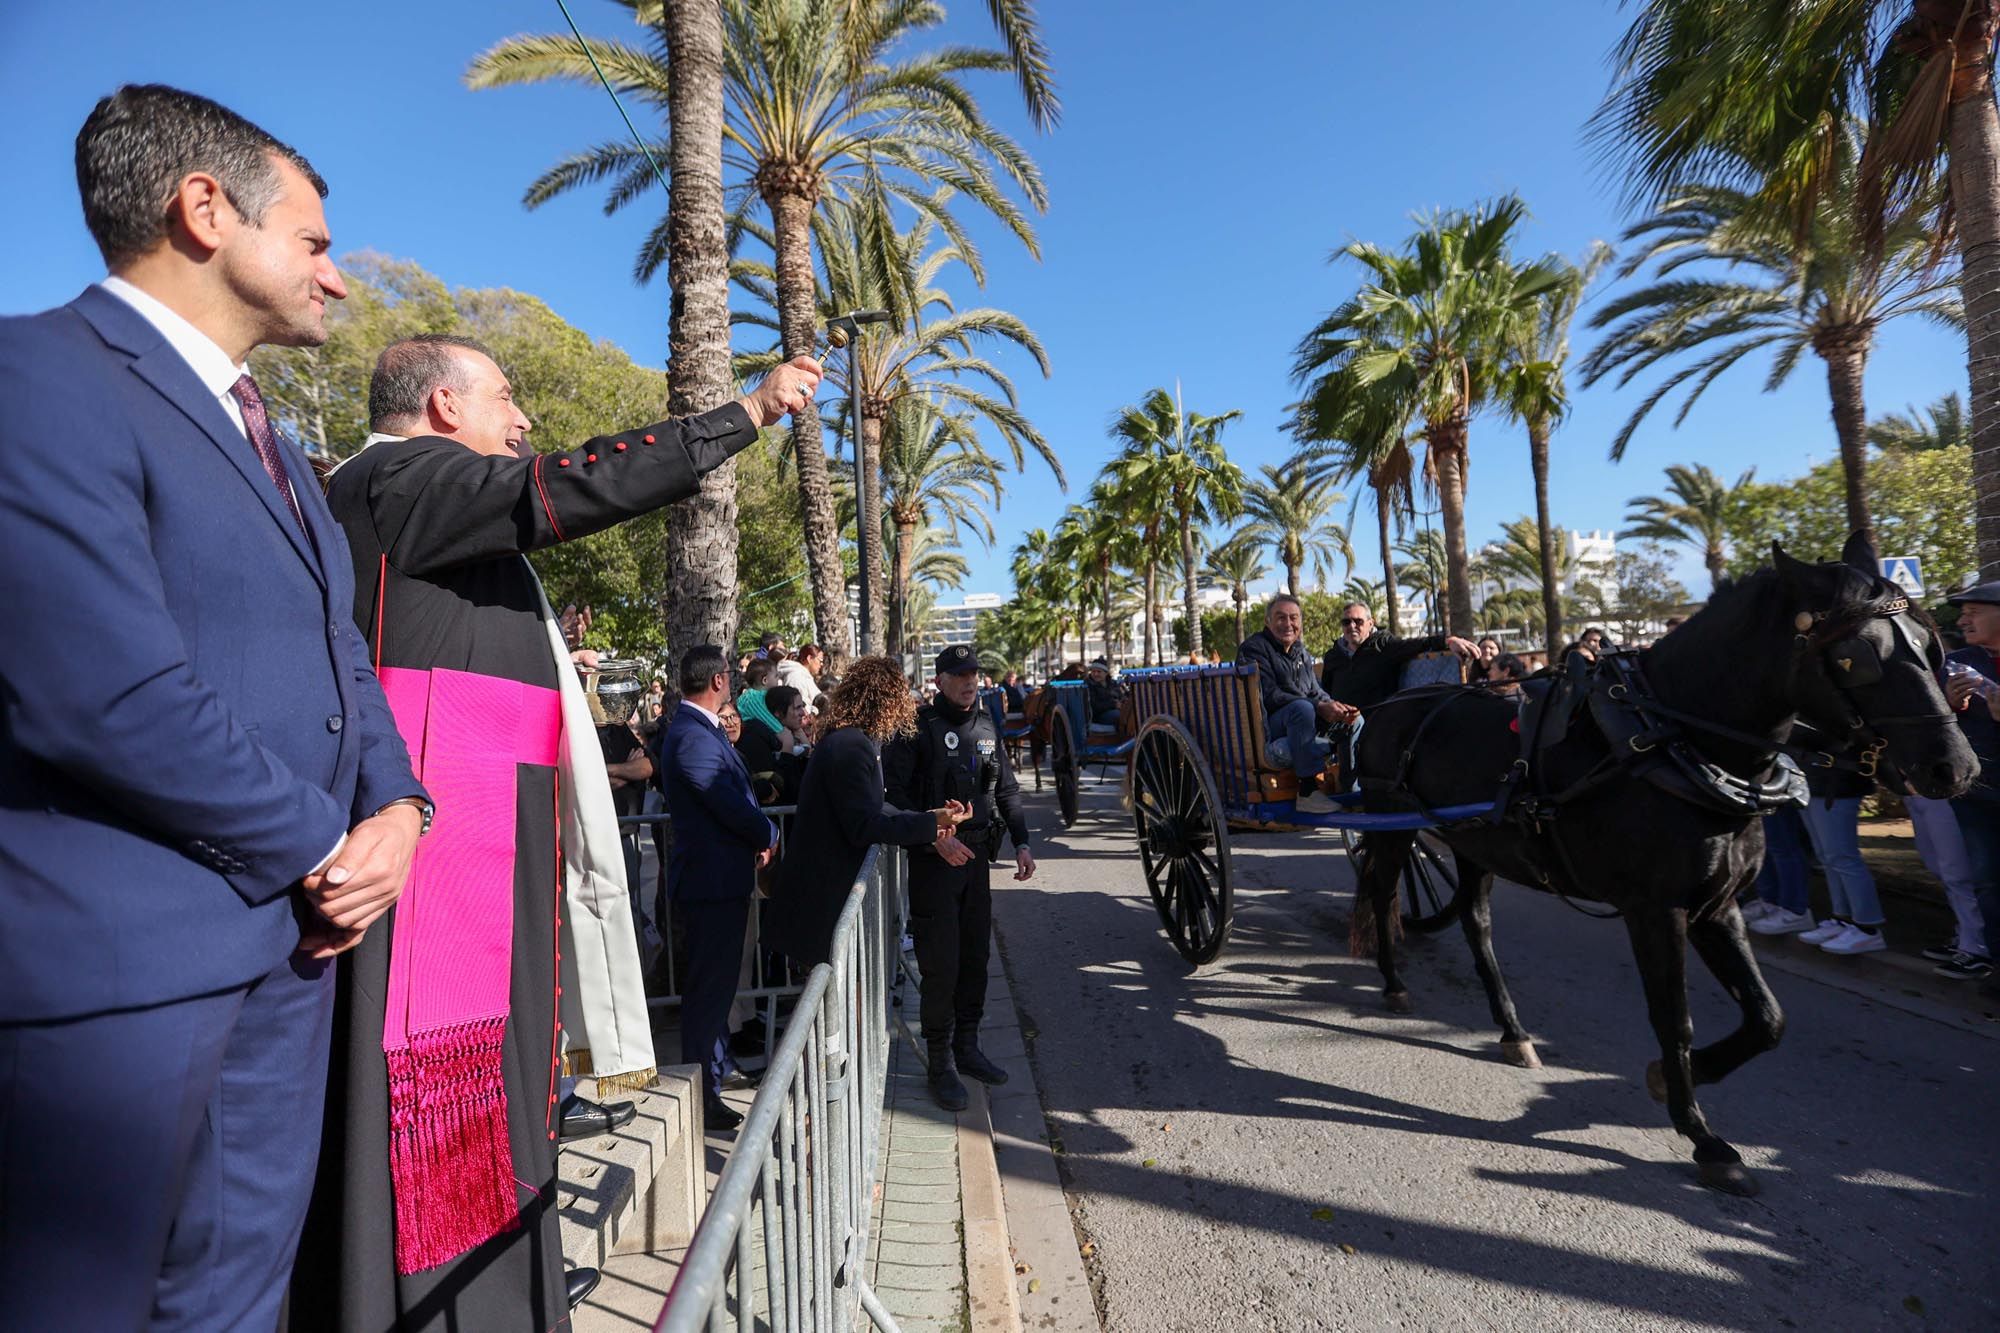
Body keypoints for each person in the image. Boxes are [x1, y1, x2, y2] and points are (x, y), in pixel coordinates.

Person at [0, 84, 428, 1332]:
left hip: (290, 961)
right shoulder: (36, 378)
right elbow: (102, 690)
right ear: (203, 211)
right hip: (116, 979)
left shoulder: (286, 454)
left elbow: (343, 657)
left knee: (238, 1303)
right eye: (312, 240)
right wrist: (321, 841)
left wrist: (400, 803)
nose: (336, 279)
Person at [304, 327, 822, 1330]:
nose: (524, 420)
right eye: (505, 396)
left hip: (486, 820)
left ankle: (514, 1286)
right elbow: (567, 486)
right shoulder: (406, 477)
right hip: (453, 847)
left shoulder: (404, 491)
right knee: (450, 1101)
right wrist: (746, 415)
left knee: (508, 1090)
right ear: (445, 406)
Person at [884, 646, 1036, 1111]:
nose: (970, 681)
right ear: (940, 679)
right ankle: (939, 1062)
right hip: (935, 863)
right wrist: (932, 839)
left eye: (974, 673)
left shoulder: (988, 723)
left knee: (974, 960)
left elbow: (1006, 789)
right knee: (941, 966)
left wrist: (1023, 842)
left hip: (975, 862)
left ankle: (967, 1048)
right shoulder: (915, 729)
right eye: (959, 674)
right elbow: (895, 800)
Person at [767, 658, 973, 970]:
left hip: (826, 896)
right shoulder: (850, 745)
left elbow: (874, 807)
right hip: (822, 900)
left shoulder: (854, 740)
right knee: (841, 1004)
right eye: (899, 698)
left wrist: (933, 817)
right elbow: (864, 824)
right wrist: (928, 825)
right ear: (885, 701)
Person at [659, 646, 780, 1131]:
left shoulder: (698, 732)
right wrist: (766, 832)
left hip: (720, 879)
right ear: (718, 682)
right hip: (711, 884)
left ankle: (714, 1074)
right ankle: (701, 1094)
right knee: (709, 993)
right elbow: (724, 800)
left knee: (718, 989)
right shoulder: (691, 736)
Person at [1237, 596, 1359, 815]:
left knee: (1354, 719)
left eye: (1293, 618)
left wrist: (1332, 705)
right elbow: (1269, 695)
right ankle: (1308, 791)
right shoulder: (1254, 649)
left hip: (1303, 725)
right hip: (1269, 730)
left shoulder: (1300, 652)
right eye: (1280, 618)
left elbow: (1314, 690)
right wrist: (1318, 706)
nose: (1288, 624)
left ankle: (1352, 790)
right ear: (1267, 621)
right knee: (1302, 709)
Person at [1944, 581, 2000, 996]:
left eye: (1974, 611)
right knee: (1987, 881)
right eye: (1962, 612)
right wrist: (1950, 706)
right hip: (1978, 794)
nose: (1963, 619)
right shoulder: (1958, 663)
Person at [1319, 601, 1478, 710]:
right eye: (1346, 622)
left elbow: (1418, 643)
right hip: (1339, 725)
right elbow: (1325, 691)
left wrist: (1449, 641)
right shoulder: (1333, 656)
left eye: (1358, 621)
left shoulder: (1384, 646)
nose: (1352, 626)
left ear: (1370, 623)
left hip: (1376, 724)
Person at [776, 642, 828, 712]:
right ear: (809, 658)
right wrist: (814, 712)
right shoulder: (796, 677)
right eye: (820, 660)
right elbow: (799, 708)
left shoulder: (803, 675)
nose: (821, 664)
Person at [1086, 657, 1124, 726]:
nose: (1095, 674)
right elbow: (1094, 706)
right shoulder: (1088, 685)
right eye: (1093, 671)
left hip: (1116, 710)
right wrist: (1114, 704)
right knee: (1118, 715)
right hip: (1098, 716)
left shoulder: (1113, 683)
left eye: (1099, 672)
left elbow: (1121, 696)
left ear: (1106, 673)